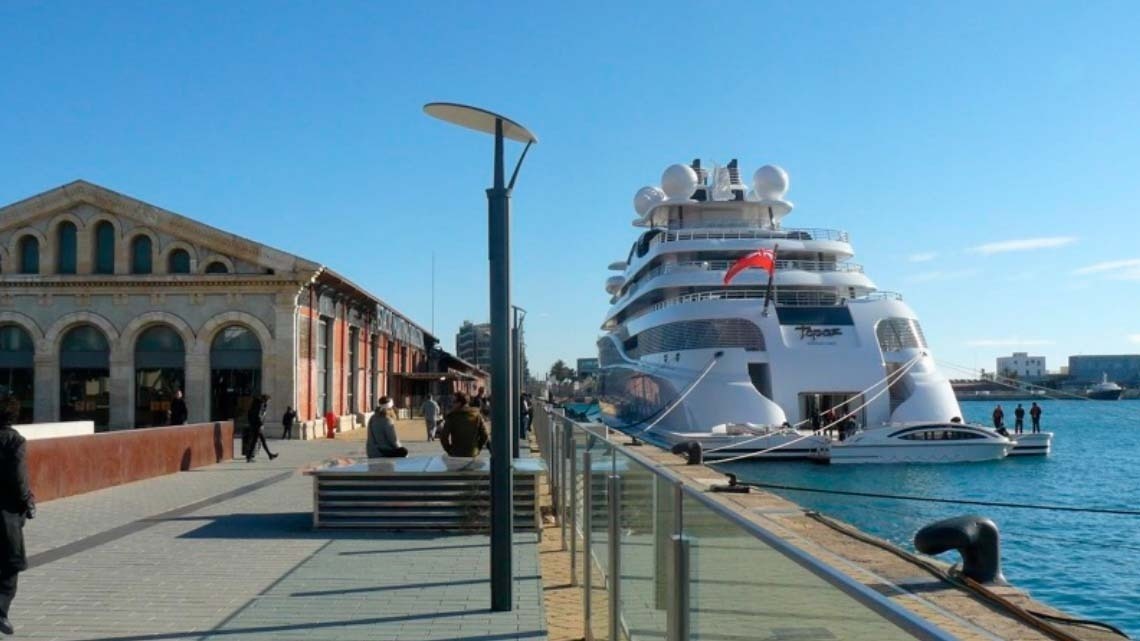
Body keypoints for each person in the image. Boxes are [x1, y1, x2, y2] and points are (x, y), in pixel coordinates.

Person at [0, 409, 34, 635]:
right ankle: (0, 612)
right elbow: (19, 476)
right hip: (6, 513)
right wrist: (27, 500)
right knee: (11, 563)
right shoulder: (14, 440)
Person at [439, 392, 490, 457]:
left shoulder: (452, 417)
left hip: (456, 454)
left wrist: (450, 450)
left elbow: (444, 437)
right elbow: (485, 436)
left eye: (454, 402)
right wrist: (477, 448)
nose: (452, 404)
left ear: (459, 403)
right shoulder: (477, 415)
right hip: (473, 453)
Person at [246, 395, 278, 462]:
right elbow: (258, 415)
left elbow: (251, 414)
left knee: (258, 441)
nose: (268, 402)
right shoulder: (260, 405)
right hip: (257, 425)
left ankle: (269, 455)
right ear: (265, 399)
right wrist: (260, 424)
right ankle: (249, 457)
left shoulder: (256, 404)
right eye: (268, 401)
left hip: (254, 425)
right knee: (258, 441)